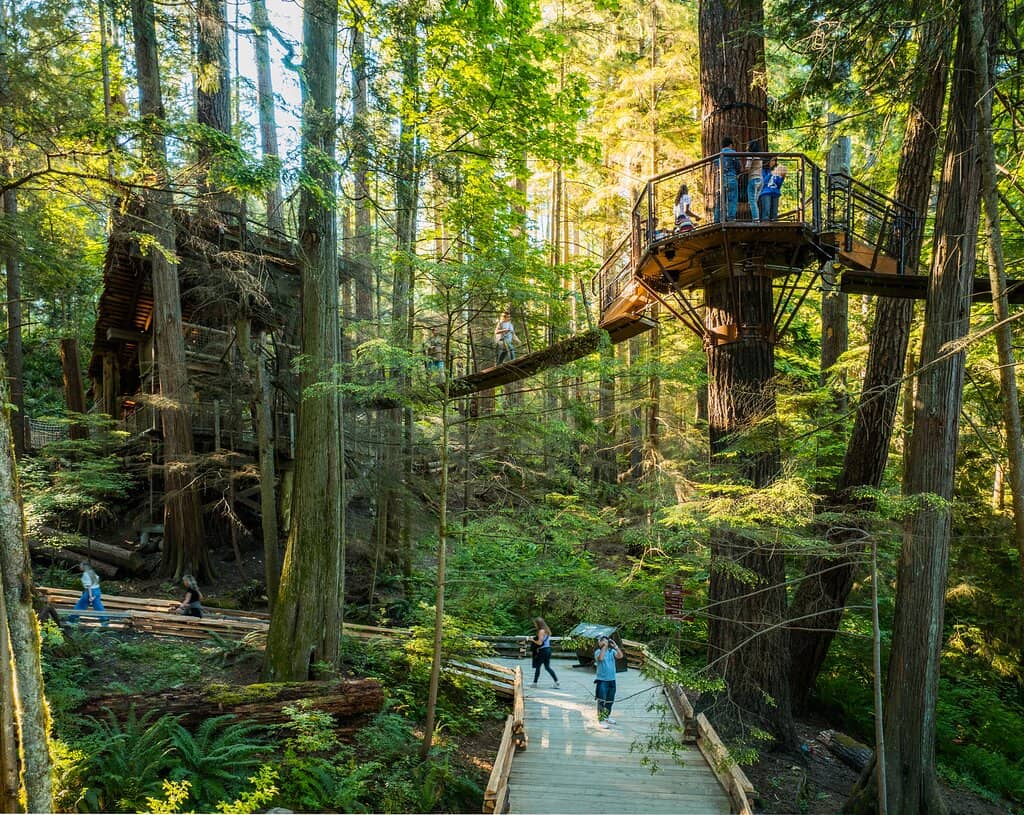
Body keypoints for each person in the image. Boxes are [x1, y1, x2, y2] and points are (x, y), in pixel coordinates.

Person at [594, 634, 623, 728]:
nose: (605, 642)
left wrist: (616, 646)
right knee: (601, 700)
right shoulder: (598, 652)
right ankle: (601, 719)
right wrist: (604, 646)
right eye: (602, 641)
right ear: (600, 643)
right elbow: (601, 658)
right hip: (602, 680)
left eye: (606, 641)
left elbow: (620, 656)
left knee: (610, 700)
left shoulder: (612, 651)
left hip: (612, 680)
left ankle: (607, 716)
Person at [714, 137, 742, 222]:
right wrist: (737, 173)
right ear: (730, 145)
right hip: (731, 177)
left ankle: (717, 219)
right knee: (732, 199)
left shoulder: (718, 155)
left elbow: (716, 166)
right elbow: (738, 166)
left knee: (719, 200)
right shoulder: (733, 153)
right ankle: (731, 218)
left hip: (720, 179)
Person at [530, 617, 559, 688]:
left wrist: (532, 640)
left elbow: (539, 643)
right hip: (548, 650)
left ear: (538, 624)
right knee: (547, 667)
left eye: (535, 623)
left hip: (543, 651)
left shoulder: (541, 631)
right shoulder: (547, 630)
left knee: (538, 667)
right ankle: (556, 682)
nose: (535, 625)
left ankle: (534, 683)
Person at [745, 140, 763, 221]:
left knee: (752, 201)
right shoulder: (759, 157)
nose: (746, 147)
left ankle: (756, 219)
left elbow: (748, 168)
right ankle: (756, 219)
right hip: (760, 180)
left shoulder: (750, 156)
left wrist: (743, 170)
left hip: (753, 179)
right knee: (755, 201)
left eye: (747, 146)